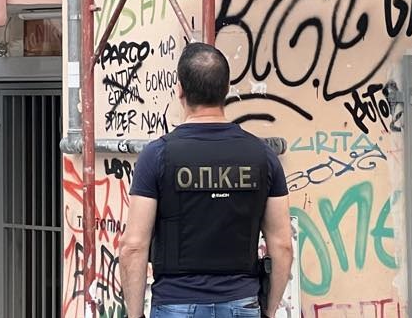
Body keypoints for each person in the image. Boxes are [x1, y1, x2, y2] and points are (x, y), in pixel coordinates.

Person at [119, 43, 294, 318]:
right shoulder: (263, 156)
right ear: (227, 89)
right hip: (241, 303)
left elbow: (133, 246)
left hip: (175, 305)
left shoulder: (157, 156)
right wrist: (269, 312)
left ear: (179, 90)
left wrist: (134, 314)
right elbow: (282, 245)